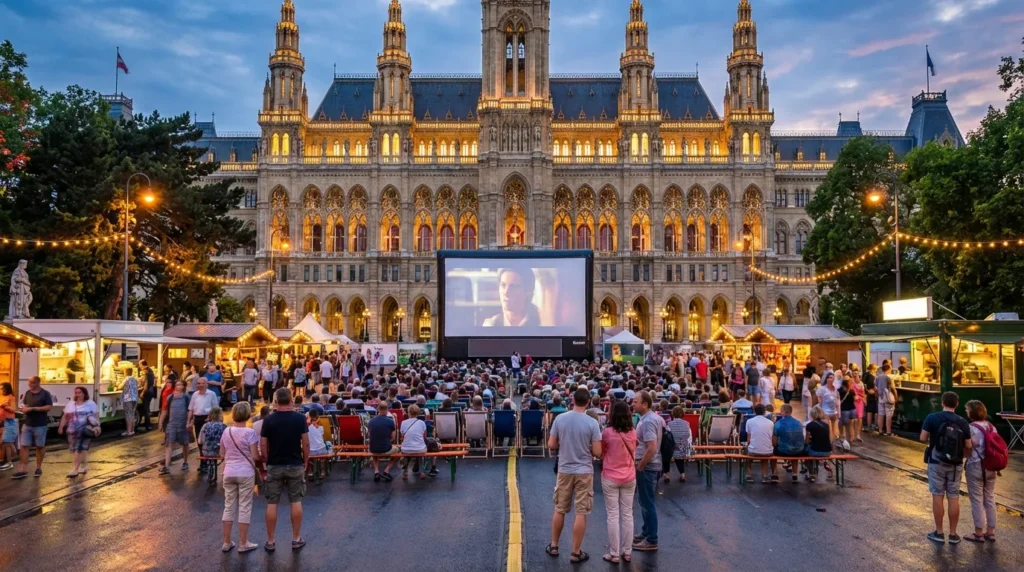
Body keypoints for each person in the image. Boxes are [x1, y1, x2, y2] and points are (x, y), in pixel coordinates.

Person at [547, 387, 602, 563]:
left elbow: (551, 445)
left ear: (572, 400)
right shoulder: (592, 423)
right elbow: (597, 451)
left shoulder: (560, 419)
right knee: (581, 512)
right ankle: (575, 552)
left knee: (559, 508)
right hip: (584, 470)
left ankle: (554, 546)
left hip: (564, 469)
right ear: (587, 402)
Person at [261, 387, 310, 552]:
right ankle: (296, 538)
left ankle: (270, 540)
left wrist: (266, 460)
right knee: (295, 500)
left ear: (276, 401)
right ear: (291, 399)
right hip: (295, 463)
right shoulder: (300, 418)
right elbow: (306, 442)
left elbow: (263, 443)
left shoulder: (269, 420)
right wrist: (306, 459)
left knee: (272, 502)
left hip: (274, 464)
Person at [920, 391, 972, 544]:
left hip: (936, 462)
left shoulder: (932, 418)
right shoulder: (963, 422)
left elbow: (923, 438)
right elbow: (968, 445)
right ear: (956, 404)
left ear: (942, 402)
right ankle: (954, 534)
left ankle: (939, 532)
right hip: (955, 465)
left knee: (937, 495)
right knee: (953, 496)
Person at [220, 402, 260, 554]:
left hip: (229, 472)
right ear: (248, 415)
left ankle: (226, 541)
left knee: (229, 505)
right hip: (245, 473)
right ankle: (244, 543)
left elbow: (222, 453)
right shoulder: (250, 433)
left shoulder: (226, 432)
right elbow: (255, 456)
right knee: (244, 506)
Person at [600, 400, 636, 564]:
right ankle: (627, 551)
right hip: (629, 475)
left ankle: (614, 553)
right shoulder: (633, 432)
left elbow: (602, 452)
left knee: (612, 515)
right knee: (627, 514)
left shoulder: (607, 432)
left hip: (610, 475)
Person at [632, 390, 664, 552]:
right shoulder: (653, 418)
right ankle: (646, 532)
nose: (633, 403)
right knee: (644, 501)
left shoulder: (648, 422)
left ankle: (651, 539)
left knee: (647, 502)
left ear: (645, 404)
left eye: (636, 401)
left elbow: (651, 447)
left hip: (648, 466)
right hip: (652, 465)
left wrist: (641, 465)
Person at [963, 400, 997, 543]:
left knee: (977, 500)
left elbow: (967, 448)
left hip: (975, 465)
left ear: (971, 412)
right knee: (989, 498)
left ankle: (978, 533)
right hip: (991, 466)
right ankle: (991, 531)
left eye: (967, 409)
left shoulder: (971, 428)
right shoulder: (991, 427)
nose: (965, 411)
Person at [12, 376, 53, 479]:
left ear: (38, 383)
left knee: (39, 446)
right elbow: (24, 405)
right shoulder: (27, 393)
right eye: (29, 382)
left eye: (32, 383)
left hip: (40, 424)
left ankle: (38, 467)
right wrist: (23, 409)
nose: (30, 384)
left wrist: (33, 408)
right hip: (27, 423)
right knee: (24, 446)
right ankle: (22, 469)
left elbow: (49, 407)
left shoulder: (45, 393)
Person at [58, 386, 99, 478]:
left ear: (84, 394)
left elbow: (96, 415)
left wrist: (97, 427)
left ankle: (75, 470)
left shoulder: (90, 404)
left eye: (80, 392)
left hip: (85, 430)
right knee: (80, 449)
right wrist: (61, 426)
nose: (78, 394)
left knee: (78, 449)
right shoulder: (71, 404)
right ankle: (84, 466)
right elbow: (65, 416)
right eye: (76, 393)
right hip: (72, 431)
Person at [158, 381, 192, 475]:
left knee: (185, 443)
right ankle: (166, 466)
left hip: (183, 424)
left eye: (181, 384)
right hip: (172, 424)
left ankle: (185, 462)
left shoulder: (186, 397)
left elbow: (190, 410)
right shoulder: (170, 397)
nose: (179, 386)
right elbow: (165, 410)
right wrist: (160, 423)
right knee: (169, 444)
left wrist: (189, 422)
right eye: (177, 385)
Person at [188, 378, 220, 473]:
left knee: (208, 440)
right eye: (198, 383)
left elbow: (216, 408)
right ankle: (203, 460)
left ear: (206, 384)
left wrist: (211, 418)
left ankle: (208, 459)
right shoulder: (195, 394)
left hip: (208, 419)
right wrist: (188, 421)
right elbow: (191, 409)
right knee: (200, 441)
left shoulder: (211, 394)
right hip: (198, 419)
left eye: (202, 383)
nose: (200, 385)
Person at [744, 403, 777, 483]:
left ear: (754, 411)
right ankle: (764, 475)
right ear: (764, 412)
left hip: (753, 451)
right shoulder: (771, 423)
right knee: (765, 451)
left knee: (746, 453)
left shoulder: (749, 421)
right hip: (767, 452)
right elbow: (772, 438)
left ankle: (749, 474)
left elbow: (749, 439)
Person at [773, 404, 805, 483]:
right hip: (798, 451)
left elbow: (774, 441)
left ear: (782, 412)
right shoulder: (798, 423)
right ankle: (795, 474)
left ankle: (774, 473)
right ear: (791, 412)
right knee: (795, 449)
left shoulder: (778, 423)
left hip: (784, 451)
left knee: (772, 451)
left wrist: (775, 445)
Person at [368, 402, 399, 482]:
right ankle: (387, 470)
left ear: (378, 409)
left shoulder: (371, 421)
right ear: (386, 410)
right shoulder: (390, 421)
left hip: (373, 448)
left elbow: (369, 435)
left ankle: (376, 471)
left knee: (375, 451)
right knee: (397, 452)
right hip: (386, 448)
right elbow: (393, 438)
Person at [664, 406, 693, 483]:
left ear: (673, 414)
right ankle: (682, 474)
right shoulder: (687, 424)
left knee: (665, 457)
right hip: (682, 448)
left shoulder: (669, 424)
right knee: (679, 459)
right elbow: (688, 436)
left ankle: (667, 475)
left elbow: (667, 437)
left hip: (672, 449)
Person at [804, 405, 833, 482]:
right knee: (815, 447)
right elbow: (829, 438)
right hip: (827, 452)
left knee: (805, 455)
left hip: (815, 452)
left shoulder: (809, 425)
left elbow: (807, 441)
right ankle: (817, 468)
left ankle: (811, 474)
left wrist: (806, 443)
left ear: (812, 414)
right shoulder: (826, 425)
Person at [816, 372, 839, 444]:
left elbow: (836, 400)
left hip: (833, 412)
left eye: (832, 377)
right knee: (829, 429)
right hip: (825, 411)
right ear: (826, 379)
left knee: (835, 430)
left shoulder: (835, 389)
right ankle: (830, 444)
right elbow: (819, 400)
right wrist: (820, 411)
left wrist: (838, 411)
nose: (831, 379)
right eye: (829, 378)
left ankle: (835, 443)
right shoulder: (822, 389)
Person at [876, 364, 897, 436]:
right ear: (888, 369)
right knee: (889, 415)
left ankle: (880, 430)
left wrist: (878, 396)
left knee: (881, 414)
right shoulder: (889, 377)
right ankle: (888, 431)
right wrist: (896, 398)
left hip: (880, 398)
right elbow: (893, 388)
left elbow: (876, 388)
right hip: (888, 398)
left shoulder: (878, 377)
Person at [0, 383, 17, 471]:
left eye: (2, 388)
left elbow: (14, 409)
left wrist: (5, 406)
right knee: (6, 442)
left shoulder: (11, 397)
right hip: (3, 421)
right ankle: (9, 461)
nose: (1, 390)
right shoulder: (2, 397)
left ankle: (10, 461)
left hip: (9, 422)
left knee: (6, 442)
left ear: (7, 389)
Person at [837, 376, 855, 450]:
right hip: (852, 409)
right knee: (851, 425)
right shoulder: (851, 390)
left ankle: (842, 438)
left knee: (842, 425)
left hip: (844, 409)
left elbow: (837, 399)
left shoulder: (840, 390)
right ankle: (851, 439)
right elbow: (854, 399)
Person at [138, 360, 156, 432]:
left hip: (147, 392)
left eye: (140, 365)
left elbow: (146, 384)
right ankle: (146, 423)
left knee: (146, 408)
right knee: (145, 407)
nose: (140, 367)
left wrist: (142, 393)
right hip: (151, 391)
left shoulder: (146, 372)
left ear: (142, 365)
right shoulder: (151, 370)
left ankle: (148, 425)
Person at [851, 372, 866, 442]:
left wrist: (865, 400)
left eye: (857, 376)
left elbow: (863, 393)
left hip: (860, 402)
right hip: (854, 401)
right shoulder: (851, 383)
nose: (856, 377)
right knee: (853, 418)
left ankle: (858, 434)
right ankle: (853, 434)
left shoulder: (862, 384)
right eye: (854, 376)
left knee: (860, 418)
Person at [863, 364, 878, 432]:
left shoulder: (865, 375)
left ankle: (869, 425)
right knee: (874, 410)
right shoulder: (872, 377)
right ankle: (874, 424)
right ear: (873, 369)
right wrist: (872, 391)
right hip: (872, 395)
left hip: (867, 395)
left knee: (869, 410)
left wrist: (867, 390)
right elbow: (873, 386)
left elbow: (864, 385)